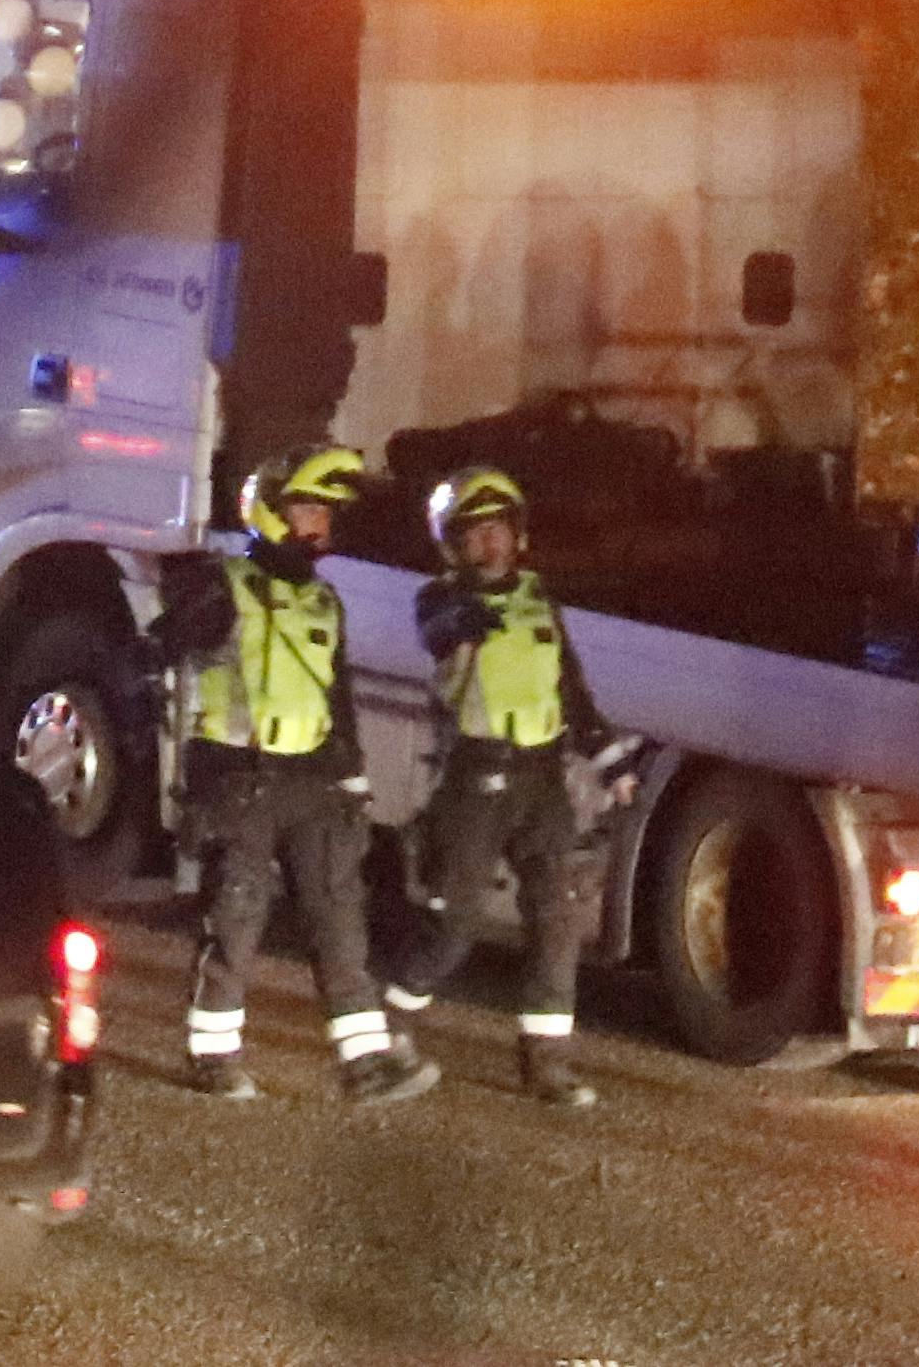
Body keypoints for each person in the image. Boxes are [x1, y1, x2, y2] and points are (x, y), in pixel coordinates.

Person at [153, 443, 438, 1105]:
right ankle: (213, 1052)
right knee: (238, 916)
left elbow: (336, 697)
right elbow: (166, 646)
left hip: (313, 783)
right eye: (308, 510)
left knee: (341, 920)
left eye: (325, 514)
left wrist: (355, 780)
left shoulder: (323, 601)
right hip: (239, 779)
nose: (321, 525)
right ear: (272, 512)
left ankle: (364, 1063)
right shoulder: (223, 583)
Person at [392, 464, 609, 1107]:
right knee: (454, 926)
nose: (491, 545)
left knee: (556, 917)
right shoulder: (440, 601)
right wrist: (470, 612)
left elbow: (570, 687)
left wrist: (610, 759)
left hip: (541, 780)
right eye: (476, 535)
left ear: (519, 536)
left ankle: (545, 1061)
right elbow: (442, 632)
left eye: (500, 531)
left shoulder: (540, 599)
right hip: (474, 780)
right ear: (453, 546)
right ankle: (394, 1024)